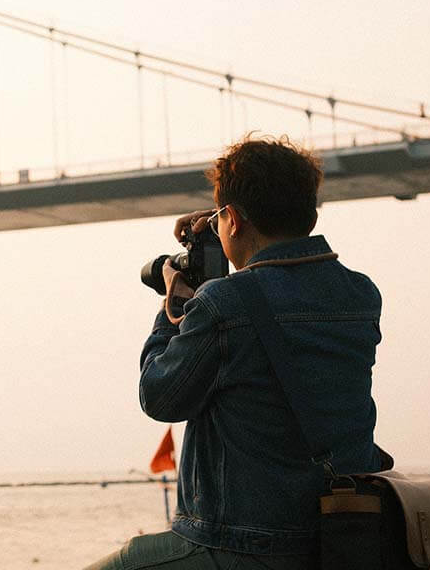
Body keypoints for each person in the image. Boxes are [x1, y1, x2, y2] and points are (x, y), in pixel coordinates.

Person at [84, 136, 384, 570]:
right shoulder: (360, 294)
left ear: (236, 220)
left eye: (222, 218)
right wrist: (226, 221)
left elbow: (160, 397)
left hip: (242, 545)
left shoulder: (222, 305)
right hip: (339, 537)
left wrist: (171, 306)